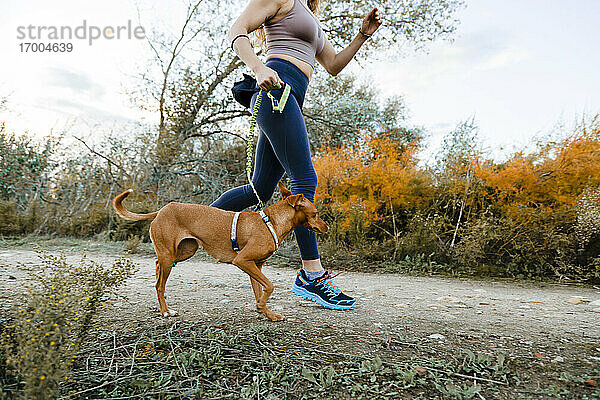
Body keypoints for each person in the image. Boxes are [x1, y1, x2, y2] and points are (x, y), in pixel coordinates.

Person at [211, 0, 382, 310]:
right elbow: (237, 31)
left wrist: (362, 35)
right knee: (305, 178)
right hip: (276, 88)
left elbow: (332, 65)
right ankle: (311, 275)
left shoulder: (309, 15)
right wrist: (258, 66)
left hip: (291, 95)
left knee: (259, 189)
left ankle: (192, 223)